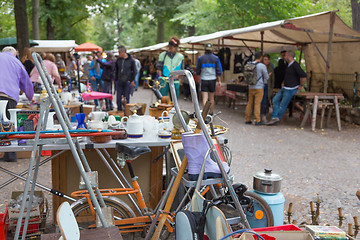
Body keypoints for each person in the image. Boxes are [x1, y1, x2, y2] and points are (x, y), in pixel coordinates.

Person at [0, 46, 34, 162]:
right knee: (9, 123)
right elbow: (26, 82)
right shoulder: (16, 62)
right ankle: (10, 154)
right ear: (15, 54)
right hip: (8, 95)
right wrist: (30, 97)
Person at [267, 50, 307, 125]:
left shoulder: (295, 65)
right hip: (285, 88)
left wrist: (301, 86)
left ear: (289, 56)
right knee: (275, 100)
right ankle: (275, 117)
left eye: (285, 55)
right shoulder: (289, 65)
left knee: (283, 105)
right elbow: (289, 75)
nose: (284, 57)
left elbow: (304, 76)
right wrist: (283, 82)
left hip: (291, 89)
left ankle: (276, 118)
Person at [196, 44, 222, 114]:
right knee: (211, 98)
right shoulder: (216, 58)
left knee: (205, 98)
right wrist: (219, 80)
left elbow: (198, 70)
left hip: (204, 79)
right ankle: (211, 112)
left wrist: (199, 79)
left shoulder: (200, 58)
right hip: (212, 80)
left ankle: (205, 113)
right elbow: (219, 70)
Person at [245, 52, 269, 125]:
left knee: (250, 103)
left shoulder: (249, 64)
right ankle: (257, 120)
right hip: (259, 87)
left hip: (250, 86)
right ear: (261, 57)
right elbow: (266, 77)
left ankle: (247, 119)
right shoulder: (262, 66)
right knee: (257, 103)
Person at [115, 46, 136, 111]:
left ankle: (126, 111)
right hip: (119, 81)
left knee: (126, 97)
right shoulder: (118, 60)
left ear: (124, 52)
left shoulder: (131, 60)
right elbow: (116, 69)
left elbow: (134, 71)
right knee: (118, 97)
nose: (119, 54)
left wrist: (131, 80)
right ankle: (119, 110)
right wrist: (116, 79)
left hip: (127, 81)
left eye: (119, 52)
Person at [261, 54, 275, 122]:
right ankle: (260, 115)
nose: (266, 61)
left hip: (268, 86)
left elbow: (273, 79)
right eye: (265, 59)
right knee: (261, 101)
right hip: (261, 86)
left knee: (265, 101)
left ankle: (264, 115)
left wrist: (271, 88)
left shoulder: (270, 68)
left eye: (267, 59)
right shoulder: (260, 67)